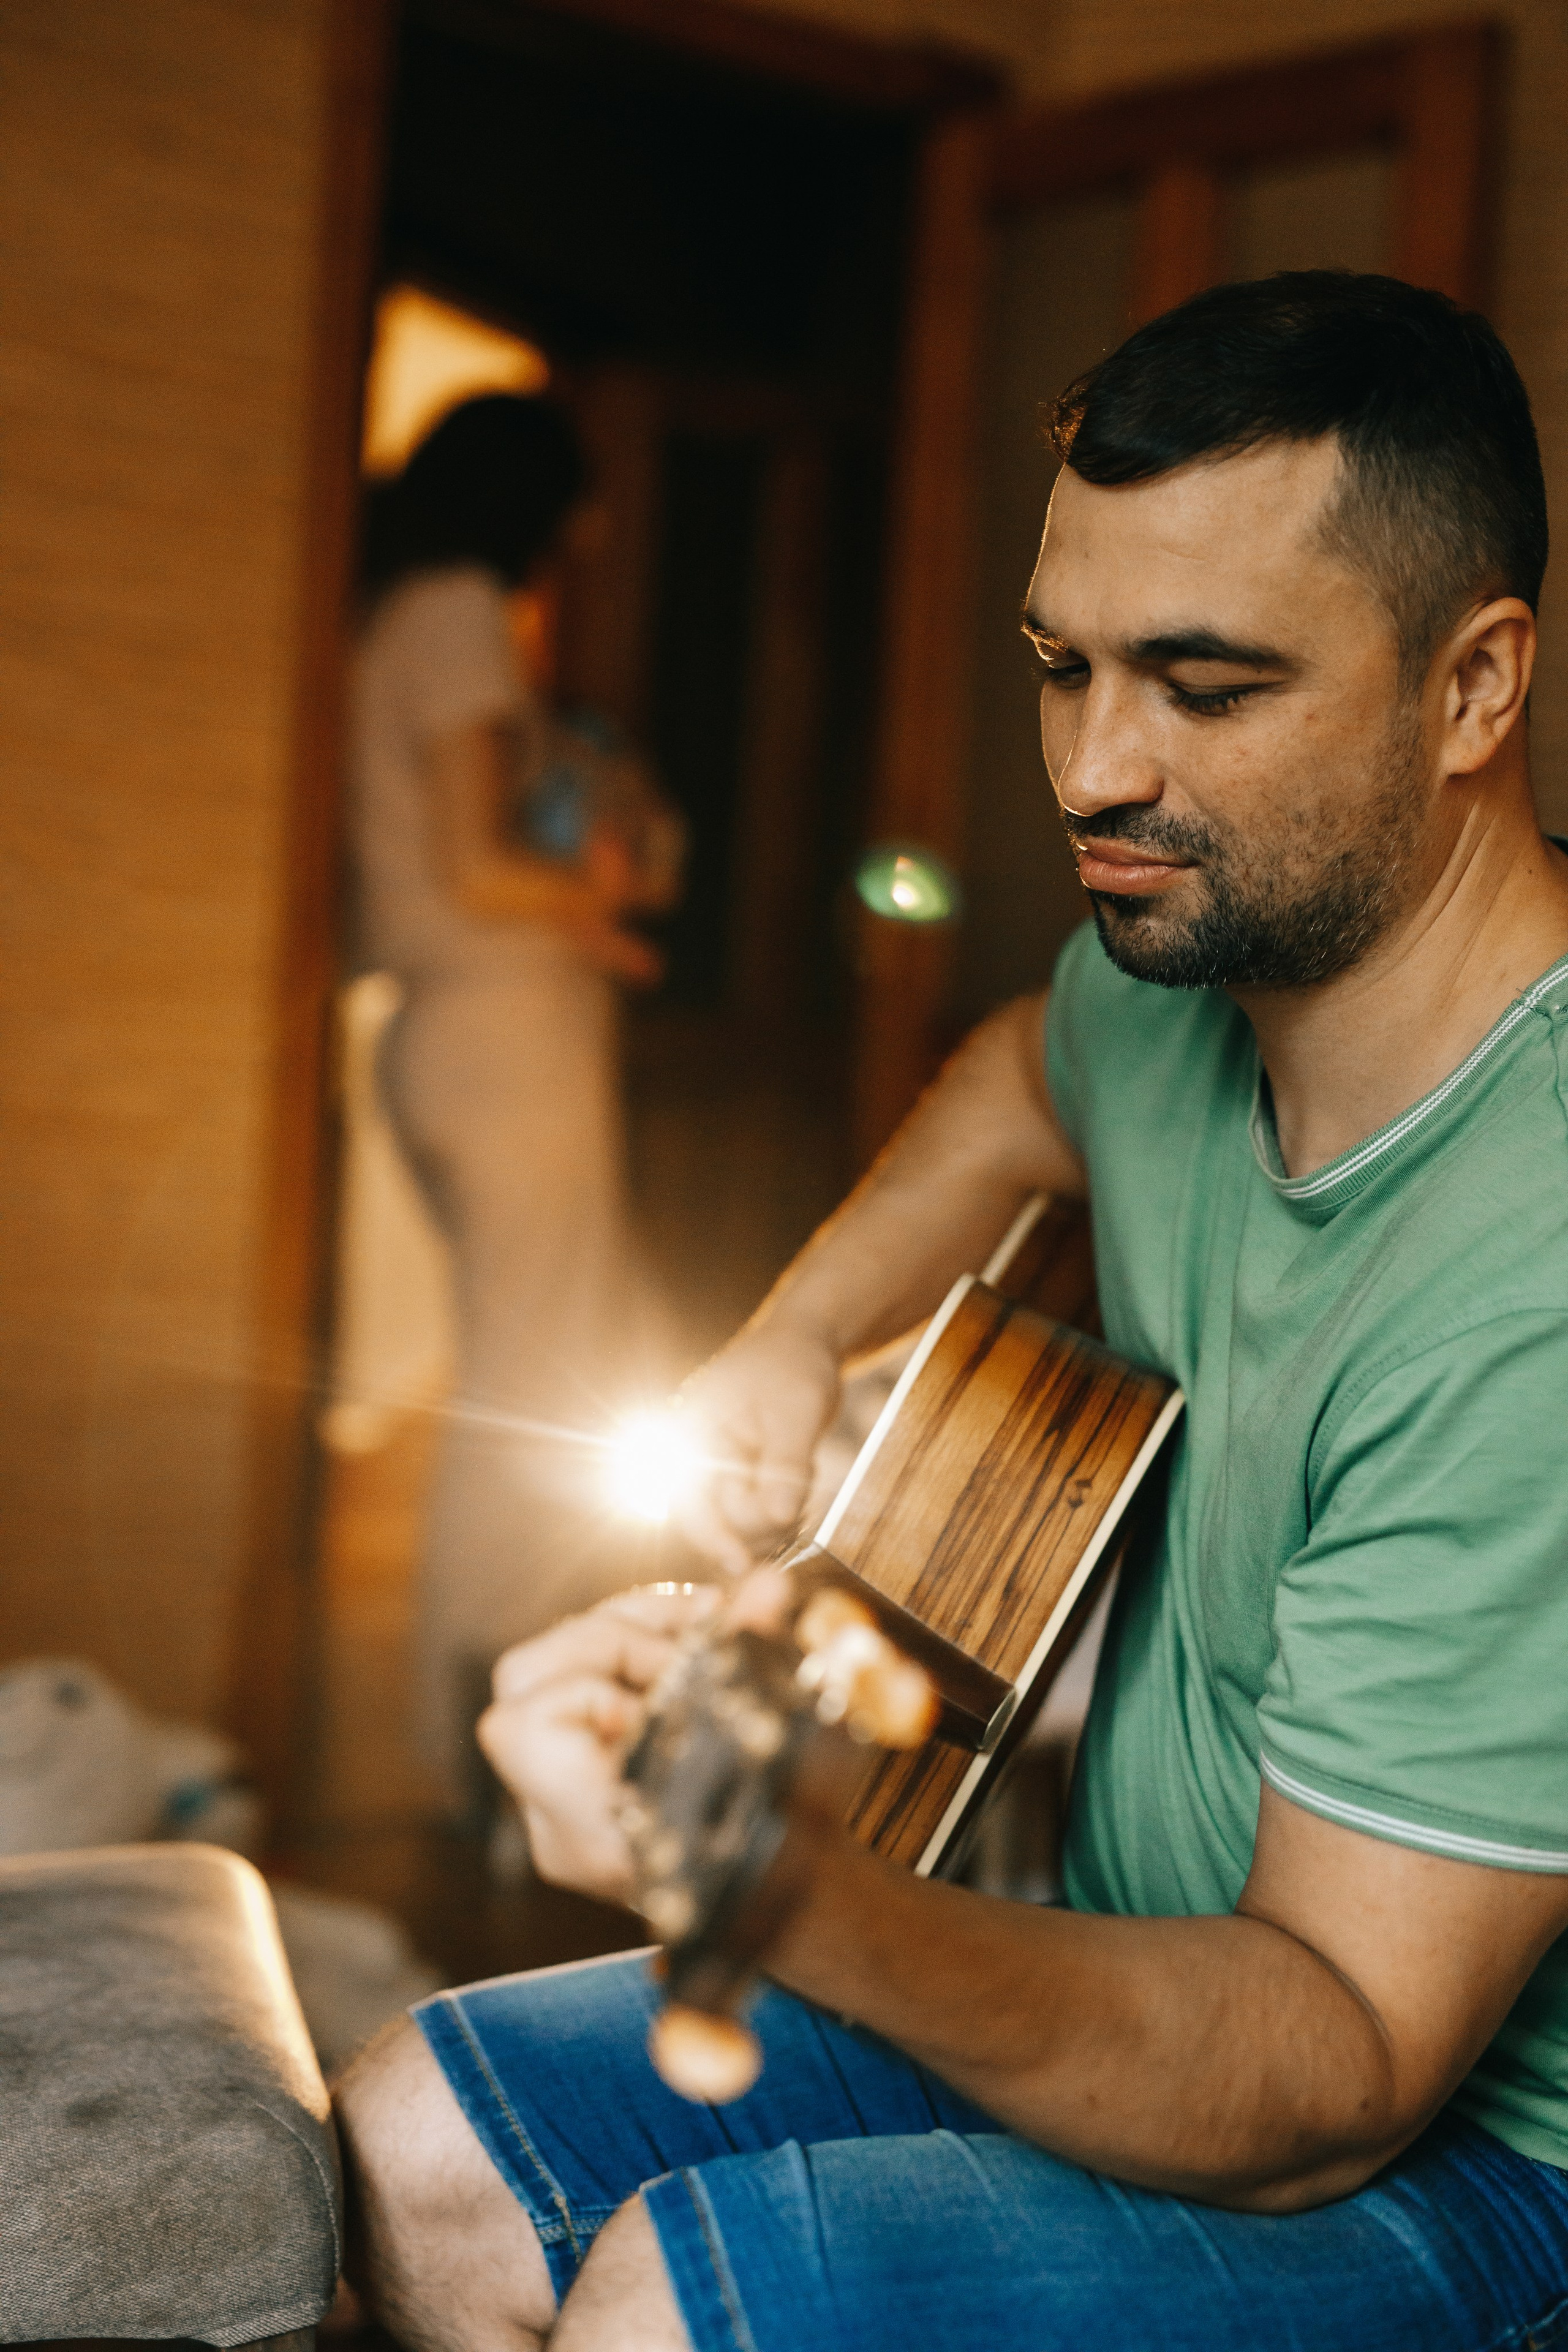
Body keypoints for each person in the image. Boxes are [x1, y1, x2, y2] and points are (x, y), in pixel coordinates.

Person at [334, 275, 1568, 2350]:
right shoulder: (1177, 976)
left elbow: (1336, 2063)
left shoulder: (1531, 1269)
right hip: (1153, 1962)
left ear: (1472, 691)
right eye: (1061, 665)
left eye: (1204, 682)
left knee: (668, 2299)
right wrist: (793, 1338)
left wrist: (792, 1895)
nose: (1095, 767)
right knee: (416, 2133)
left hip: (1475, 2159)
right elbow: (1022, 1075)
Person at [350, 392, 680, 1815]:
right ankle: (483, 1741)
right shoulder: (457, 615)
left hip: (463, 1031)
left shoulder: (419, 617)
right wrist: (597, 904)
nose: (591, 532)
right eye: (579, 501)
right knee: (529, 1385)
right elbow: (484, 864)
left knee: (564, 1358)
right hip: (500, 1038)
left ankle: (510, 1716)